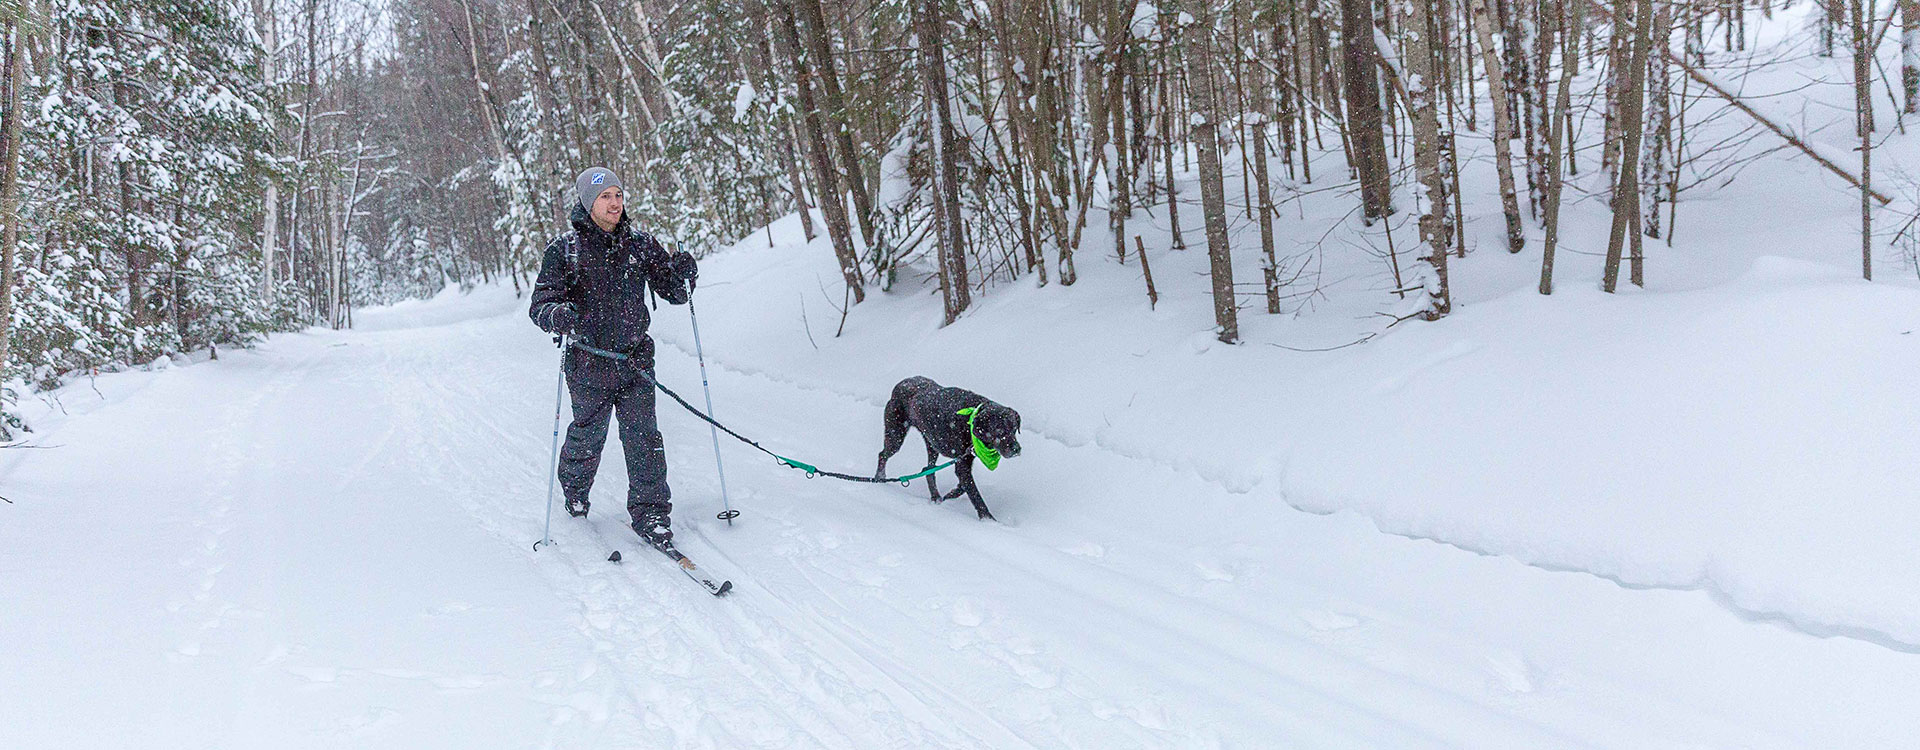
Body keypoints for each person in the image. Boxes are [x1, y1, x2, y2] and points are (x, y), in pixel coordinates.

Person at [530, 167, 698, 551]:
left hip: (635, 360)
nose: (615, 203)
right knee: (589, 435)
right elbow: (540, 304)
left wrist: (684, 274)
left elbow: (673, 291)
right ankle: (574, 488)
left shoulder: (640, 244)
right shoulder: (564, 250)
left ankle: (651, 513)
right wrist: (558, 315)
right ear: (588, 203)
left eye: (618, 195)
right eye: (605, 196)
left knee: (644, 439)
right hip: (589, 361)